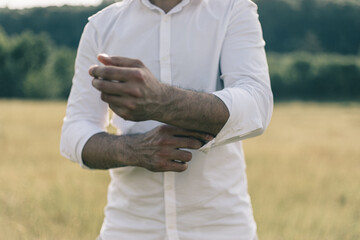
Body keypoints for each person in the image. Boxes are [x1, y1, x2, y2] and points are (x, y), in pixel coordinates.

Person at [60, 0, 273, 239]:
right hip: (127, 229)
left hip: (221, 230)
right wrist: (133, 150)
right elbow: (74, 132)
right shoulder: (102, 25)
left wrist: (162, 100)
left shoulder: (233, 9)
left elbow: (256, 104)